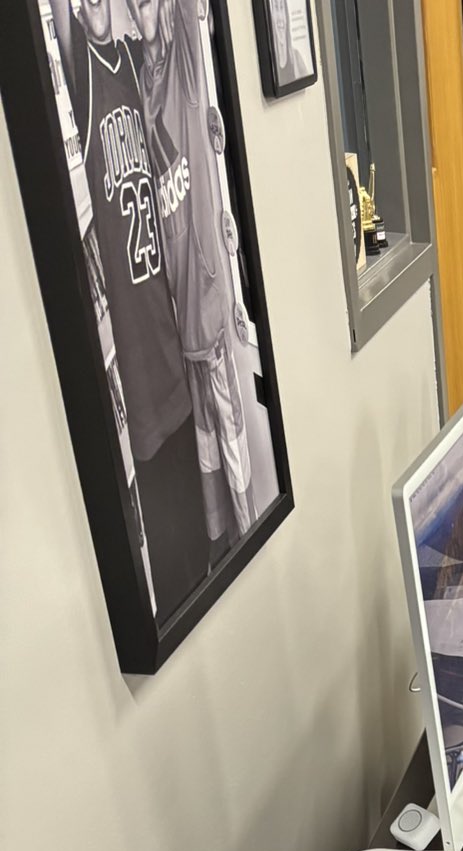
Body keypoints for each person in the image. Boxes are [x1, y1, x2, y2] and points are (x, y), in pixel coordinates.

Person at [46, 0, 206, 615]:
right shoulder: (83, 70)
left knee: (201, 557)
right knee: (172, 588)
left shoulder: (134, 62)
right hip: (136, 375)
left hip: (169, 349)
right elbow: (65, 28)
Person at [128, 0, 260, 560]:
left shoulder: (183, 67)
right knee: (212, 493)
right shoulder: (141, 84)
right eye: (135, 5)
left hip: (213, 317)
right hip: (183, 334)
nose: (144, 9)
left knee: (241, 482)